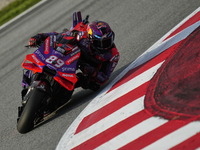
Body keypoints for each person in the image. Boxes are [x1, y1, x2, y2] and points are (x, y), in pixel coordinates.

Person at [28, 12, 119, 91]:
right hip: (70, 55)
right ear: (90, 38)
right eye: (101, 43)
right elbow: (59, 35)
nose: (105, 46)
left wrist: (92, 71)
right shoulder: (81, 33)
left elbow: (104, 79)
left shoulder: (113, 55)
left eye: (108, 41)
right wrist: (40, 36)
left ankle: (61, 91)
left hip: (88, 69)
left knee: (92, 85)